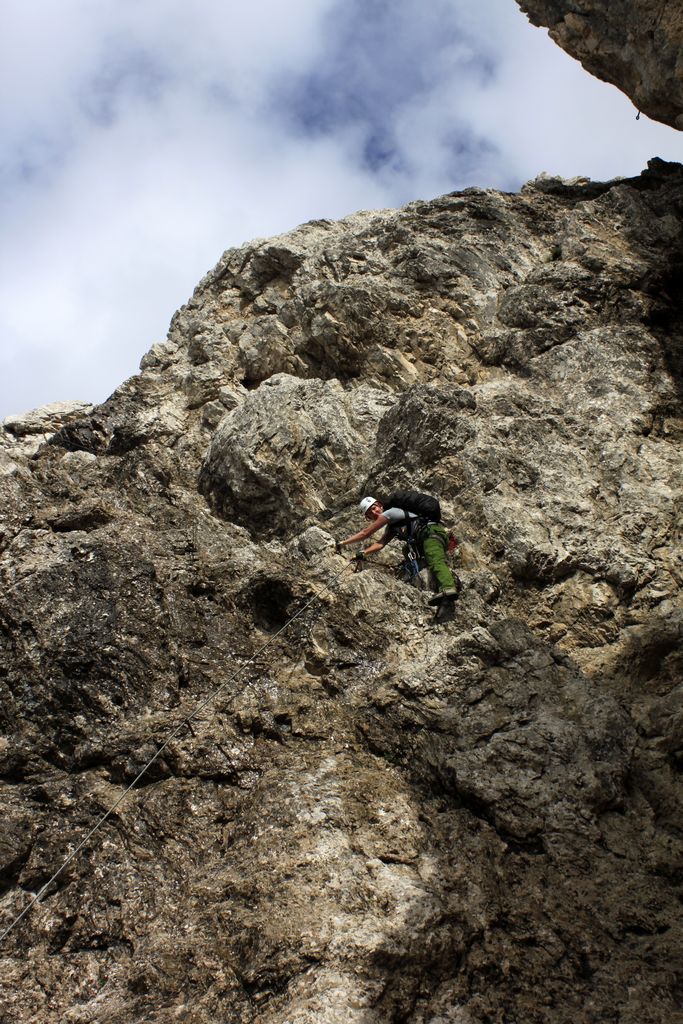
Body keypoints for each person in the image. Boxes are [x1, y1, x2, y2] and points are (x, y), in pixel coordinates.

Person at [338, 496, 459, 605]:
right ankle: (423, 573)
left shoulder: (391, 513)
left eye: (374, 508)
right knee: (406, 549)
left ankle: (448, 587)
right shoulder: (393, 526)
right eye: (370, 513)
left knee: (435, 559)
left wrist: (342, 543)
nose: (375, 512)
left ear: (380, 505)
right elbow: (381, 544)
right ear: (368, 518)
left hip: (431, 533)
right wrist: (363, 553)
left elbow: (365, 533)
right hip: (424, 539)